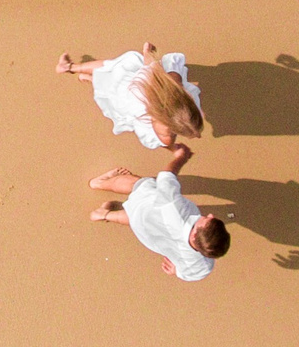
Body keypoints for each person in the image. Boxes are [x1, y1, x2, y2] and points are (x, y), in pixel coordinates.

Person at [56, 41, 204, 170]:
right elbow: (165, 142)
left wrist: (148, 53)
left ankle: (71, 67)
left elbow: (151, 65)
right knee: (108, 85)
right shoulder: (163, 130)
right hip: (127, 101)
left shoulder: (170, 82)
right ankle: (88, 78)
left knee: (109, 68)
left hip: (130, 90)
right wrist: (174, 149)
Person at [88, 168, 229, 280]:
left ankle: (98, 183)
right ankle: (103, 215)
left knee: (139, 184)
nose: (210, 215)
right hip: (148, 236)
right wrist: (177, 271)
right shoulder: (203, 266)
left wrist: (178, 158)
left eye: (207, 220)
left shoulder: (176, 212)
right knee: (135, 219)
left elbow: (165, 182)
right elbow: (191, 274)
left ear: (194, 236)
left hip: (149, 210)